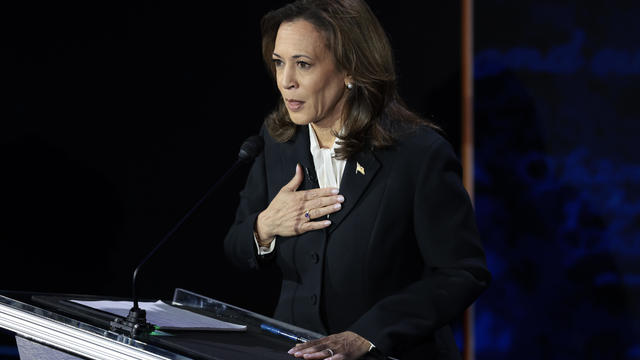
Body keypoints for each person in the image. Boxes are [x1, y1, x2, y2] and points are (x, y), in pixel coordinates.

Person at [224, 0, 491, 359]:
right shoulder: (277, 142)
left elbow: (462, 273)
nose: (285, 81)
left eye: (303, 64)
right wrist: (265, 227)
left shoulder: (417, 153)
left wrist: (366, 336)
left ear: (350, 69)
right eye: (279, 63)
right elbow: (236, 245)